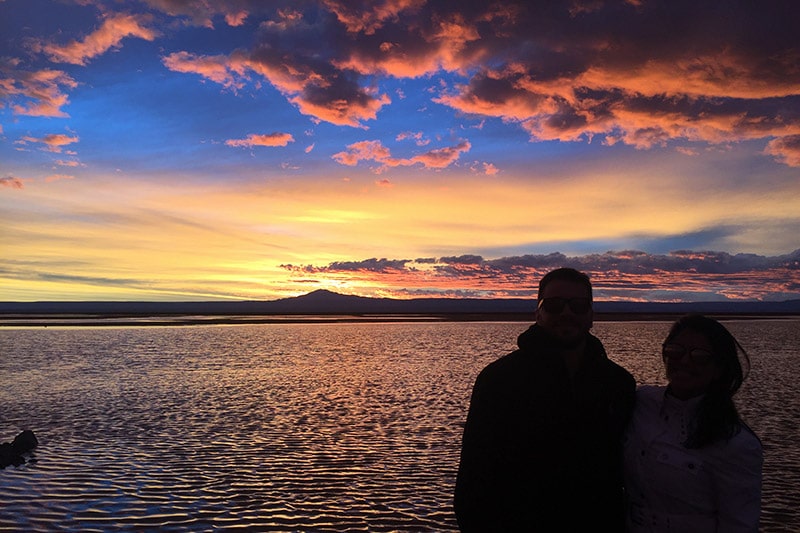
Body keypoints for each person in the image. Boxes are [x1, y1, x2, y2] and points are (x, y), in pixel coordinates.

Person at [454, 267, 636, 532]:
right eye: (554, 305)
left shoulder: (618, 383)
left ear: (591, 315)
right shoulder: (498, 380)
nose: (566, 313)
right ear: (538, 313)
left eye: (578, 305)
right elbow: (474, 478)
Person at [623, 314, 763, 532]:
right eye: (675, 351)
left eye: (700, 356)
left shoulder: (736, 443)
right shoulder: (641, 402)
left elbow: (739, 523)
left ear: (719, 368)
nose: (685, 361)